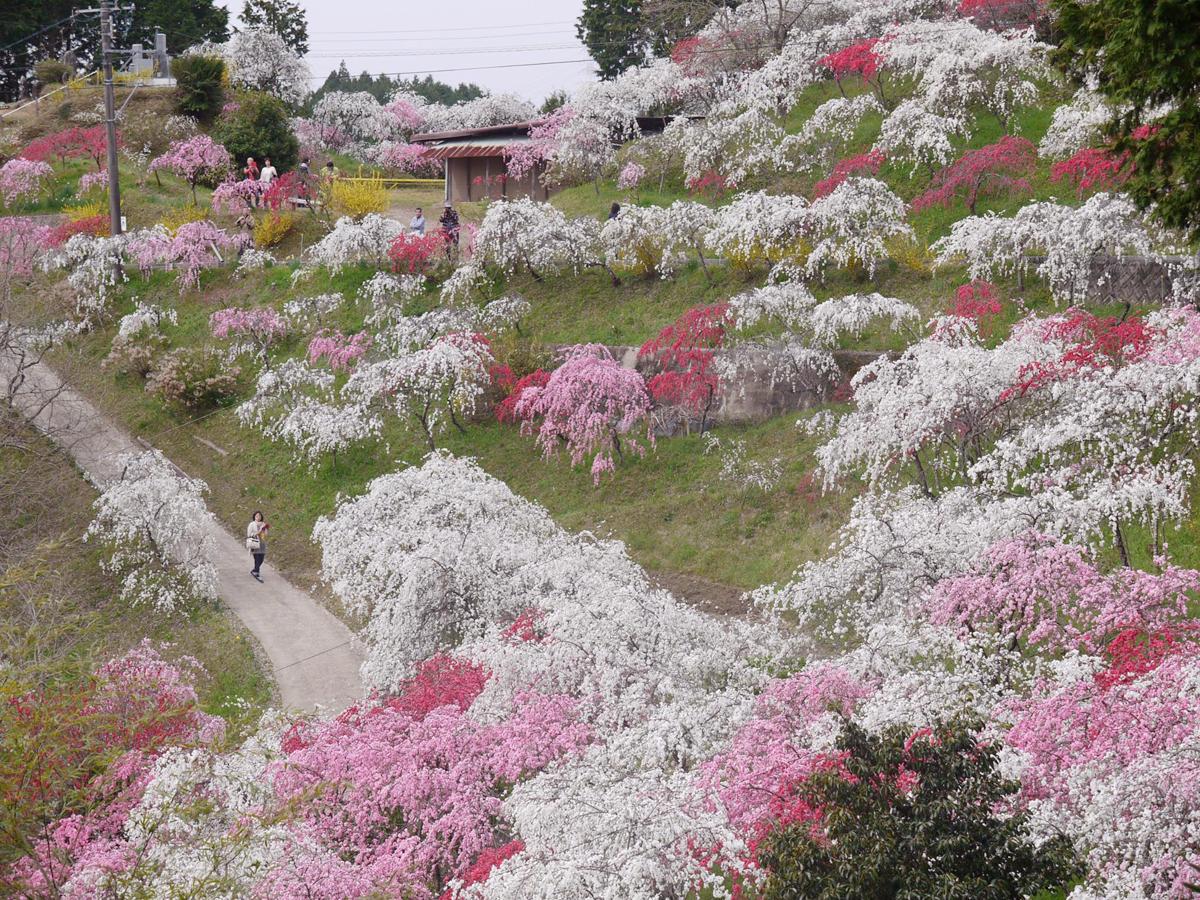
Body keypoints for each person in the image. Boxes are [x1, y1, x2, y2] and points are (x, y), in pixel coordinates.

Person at [246, 511, 269, 581]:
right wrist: (258, 532)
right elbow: (249, 534)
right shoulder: (252, 524)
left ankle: (255, 570)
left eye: (259, 516)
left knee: (261, 558)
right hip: (255, 543)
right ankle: (257, 572)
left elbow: (265, 534)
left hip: (262, 543)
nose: (258, 517)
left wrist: (265, 530)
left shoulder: (263, 524)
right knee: (257, 558)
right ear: (254, 517)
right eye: (257, 516)